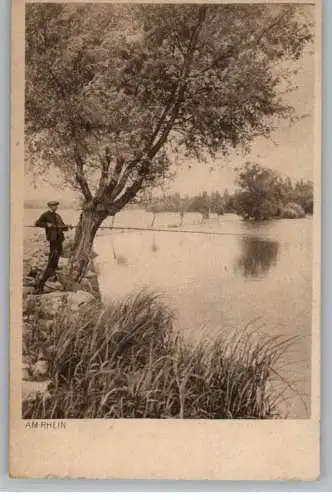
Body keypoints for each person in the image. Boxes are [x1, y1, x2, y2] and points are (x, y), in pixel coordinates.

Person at [33, 201, 73, 293]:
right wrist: (47, 224)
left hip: (60, 238)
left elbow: (62, 227)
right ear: (50, 206)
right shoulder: (45, 215)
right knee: (52, 256)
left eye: (56, 206)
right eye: (54, 206)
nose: (55, 207)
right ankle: (45, 277)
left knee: (58, 254)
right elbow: (37, 223)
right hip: (53, 239)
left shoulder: (58, 216)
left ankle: (54, 269)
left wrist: (68, 226)